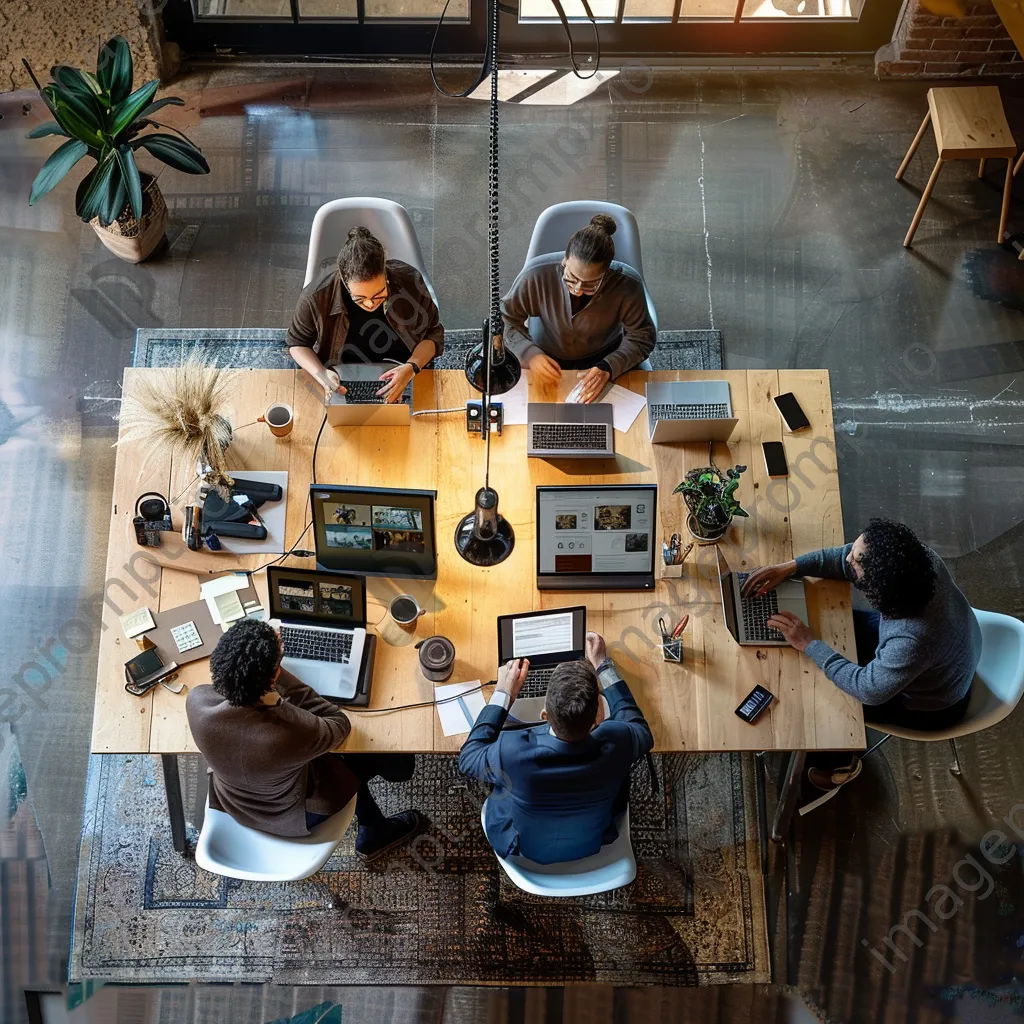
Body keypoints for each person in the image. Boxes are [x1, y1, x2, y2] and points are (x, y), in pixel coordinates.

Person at [186, 618, 426, 859]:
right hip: (291, 815)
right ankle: (376, 828)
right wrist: (277, 674)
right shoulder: (288, 731)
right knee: (385, 754)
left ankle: (372, 823)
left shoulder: (197, 702)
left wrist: (265, 670)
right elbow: (338, 723)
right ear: (272, 676)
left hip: (235, 803)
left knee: (329, 759)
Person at [743, 517, 981, 736]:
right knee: (826, 628)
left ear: (879, 586)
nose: (848, 558)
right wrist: (792, 567)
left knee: (822, 706)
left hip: (929, 706)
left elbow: (868, 690)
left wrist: (809, 644)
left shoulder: (912, 639)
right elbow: (846, 557)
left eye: (856, 562)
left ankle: (844, 763)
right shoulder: (919, 560)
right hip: (948, 653)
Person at [458, 631, 654, 865]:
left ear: (544, 715)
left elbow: (468, 758)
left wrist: (504, 692)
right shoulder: (619, 741)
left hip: (525, 846)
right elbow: (639, 728)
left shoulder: (510, 752)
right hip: (591, 841)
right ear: (597, 720)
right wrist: (603, 665)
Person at [500, 214, 656, 404]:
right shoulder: (536, 275)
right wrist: (529, 353)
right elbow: (504, 319)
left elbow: (643, 336)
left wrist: (609, 366)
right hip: (544, 356)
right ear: (565, 260)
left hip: (605, 357)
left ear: (606, 273)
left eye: (590, 284)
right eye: (571, 278)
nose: (577, 290)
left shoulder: (626, 285)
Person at [287, 225, 444, 403]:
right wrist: (322, 374)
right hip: (343, 374)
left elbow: (434, 333)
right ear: (345, 282)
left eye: (379, 295)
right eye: (359, 298)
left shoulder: (409, 281)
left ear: (385, 274)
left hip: (401, 369)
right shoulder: (316, 296)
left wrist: (412, 367)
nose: (370, 304)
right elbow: (296, 343)